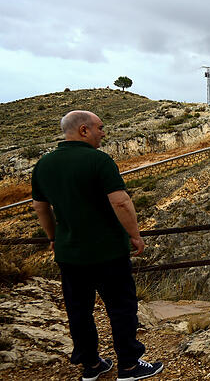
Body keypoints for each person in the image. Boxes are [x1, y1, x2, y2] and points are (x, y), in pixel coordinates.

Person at [31, 110, 164, 381]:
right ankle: (129, 365)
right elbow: (121, 202)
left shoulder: (43, 165)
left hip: (70, 255)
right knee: (121, 308)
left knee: (79, 311)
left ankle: (91, 365)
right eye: (100, 128)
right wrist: (135, 235)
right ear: (83, 130)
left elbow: (40, 207)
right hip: (108, 252)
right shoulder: (99, 160)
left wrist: (54, 237)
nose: (103, 133)